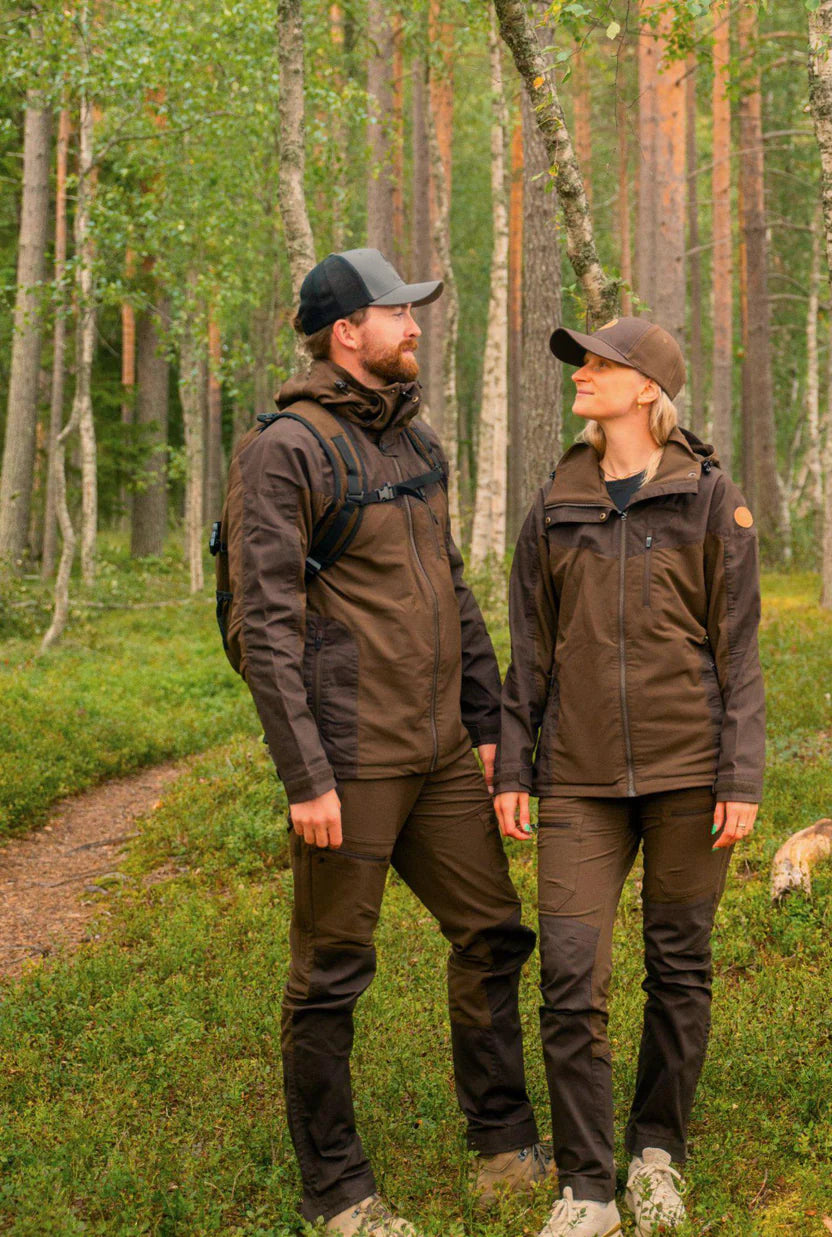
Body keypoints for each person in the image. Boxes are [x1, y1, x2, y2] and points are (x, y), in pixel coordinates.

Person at [225, 249, 550, 1235]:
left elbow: (451, 588)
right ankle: (339, 1191)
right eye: (396, 312)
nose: (414, 326)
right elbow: (262, 624)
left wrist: (487, 723)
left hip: (441, 750)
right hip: (350, 759)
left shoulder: (417, 441)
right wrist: (305, 774)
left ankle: (502, 1144)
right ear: (346, 333)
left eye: (414, 310)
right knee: (332, 972)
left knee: (492, 933)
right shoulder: (284, 451)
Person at [494, 316, 765, 1236]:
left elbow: (739, 652)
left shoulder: (710, 500)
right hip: (577, 779)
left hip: (692, 775)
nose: (582, 373)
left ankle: (657, 1153)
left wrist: (741, 774)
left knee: (679, 967)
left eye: (600, 363)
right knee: (570, 975)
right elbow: (529, 649)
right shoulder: (555, 505)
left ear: (648, 387)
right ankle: (588, 1187)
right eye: (580, 362)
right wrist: (514, 763)